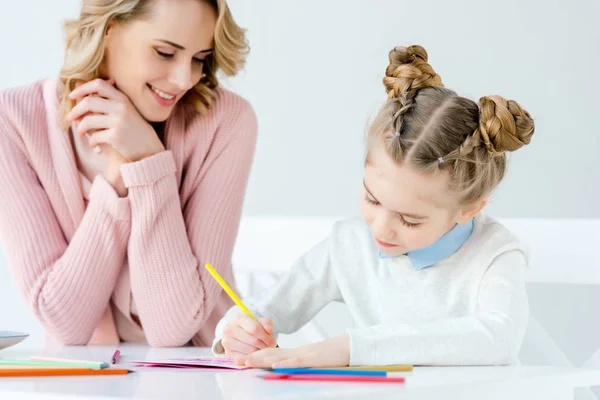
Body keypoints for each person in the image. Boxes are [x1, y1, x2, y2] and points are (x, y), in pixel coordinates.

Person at [213, 45, 535, 367]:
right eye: (371, 199)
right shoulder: (350, 244)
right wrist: (236, 331)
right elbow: (267, 307)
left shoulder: (495, 255)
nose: (380, 228)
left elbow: (499, 337)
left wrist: (352, 349)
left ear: (468, 209)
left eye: (410, 220)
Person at [0, 0, 257, 347]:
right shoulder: (16, 120)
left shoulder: (225, 121)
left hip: (201, 375)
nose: (184, 79)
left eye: (199, 58)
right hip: (82, 383)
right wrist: (119, 172)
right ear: (109, 31)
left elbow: (173, 328)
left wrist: (148, 163)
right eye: (165, 52)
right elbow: (64, 322)